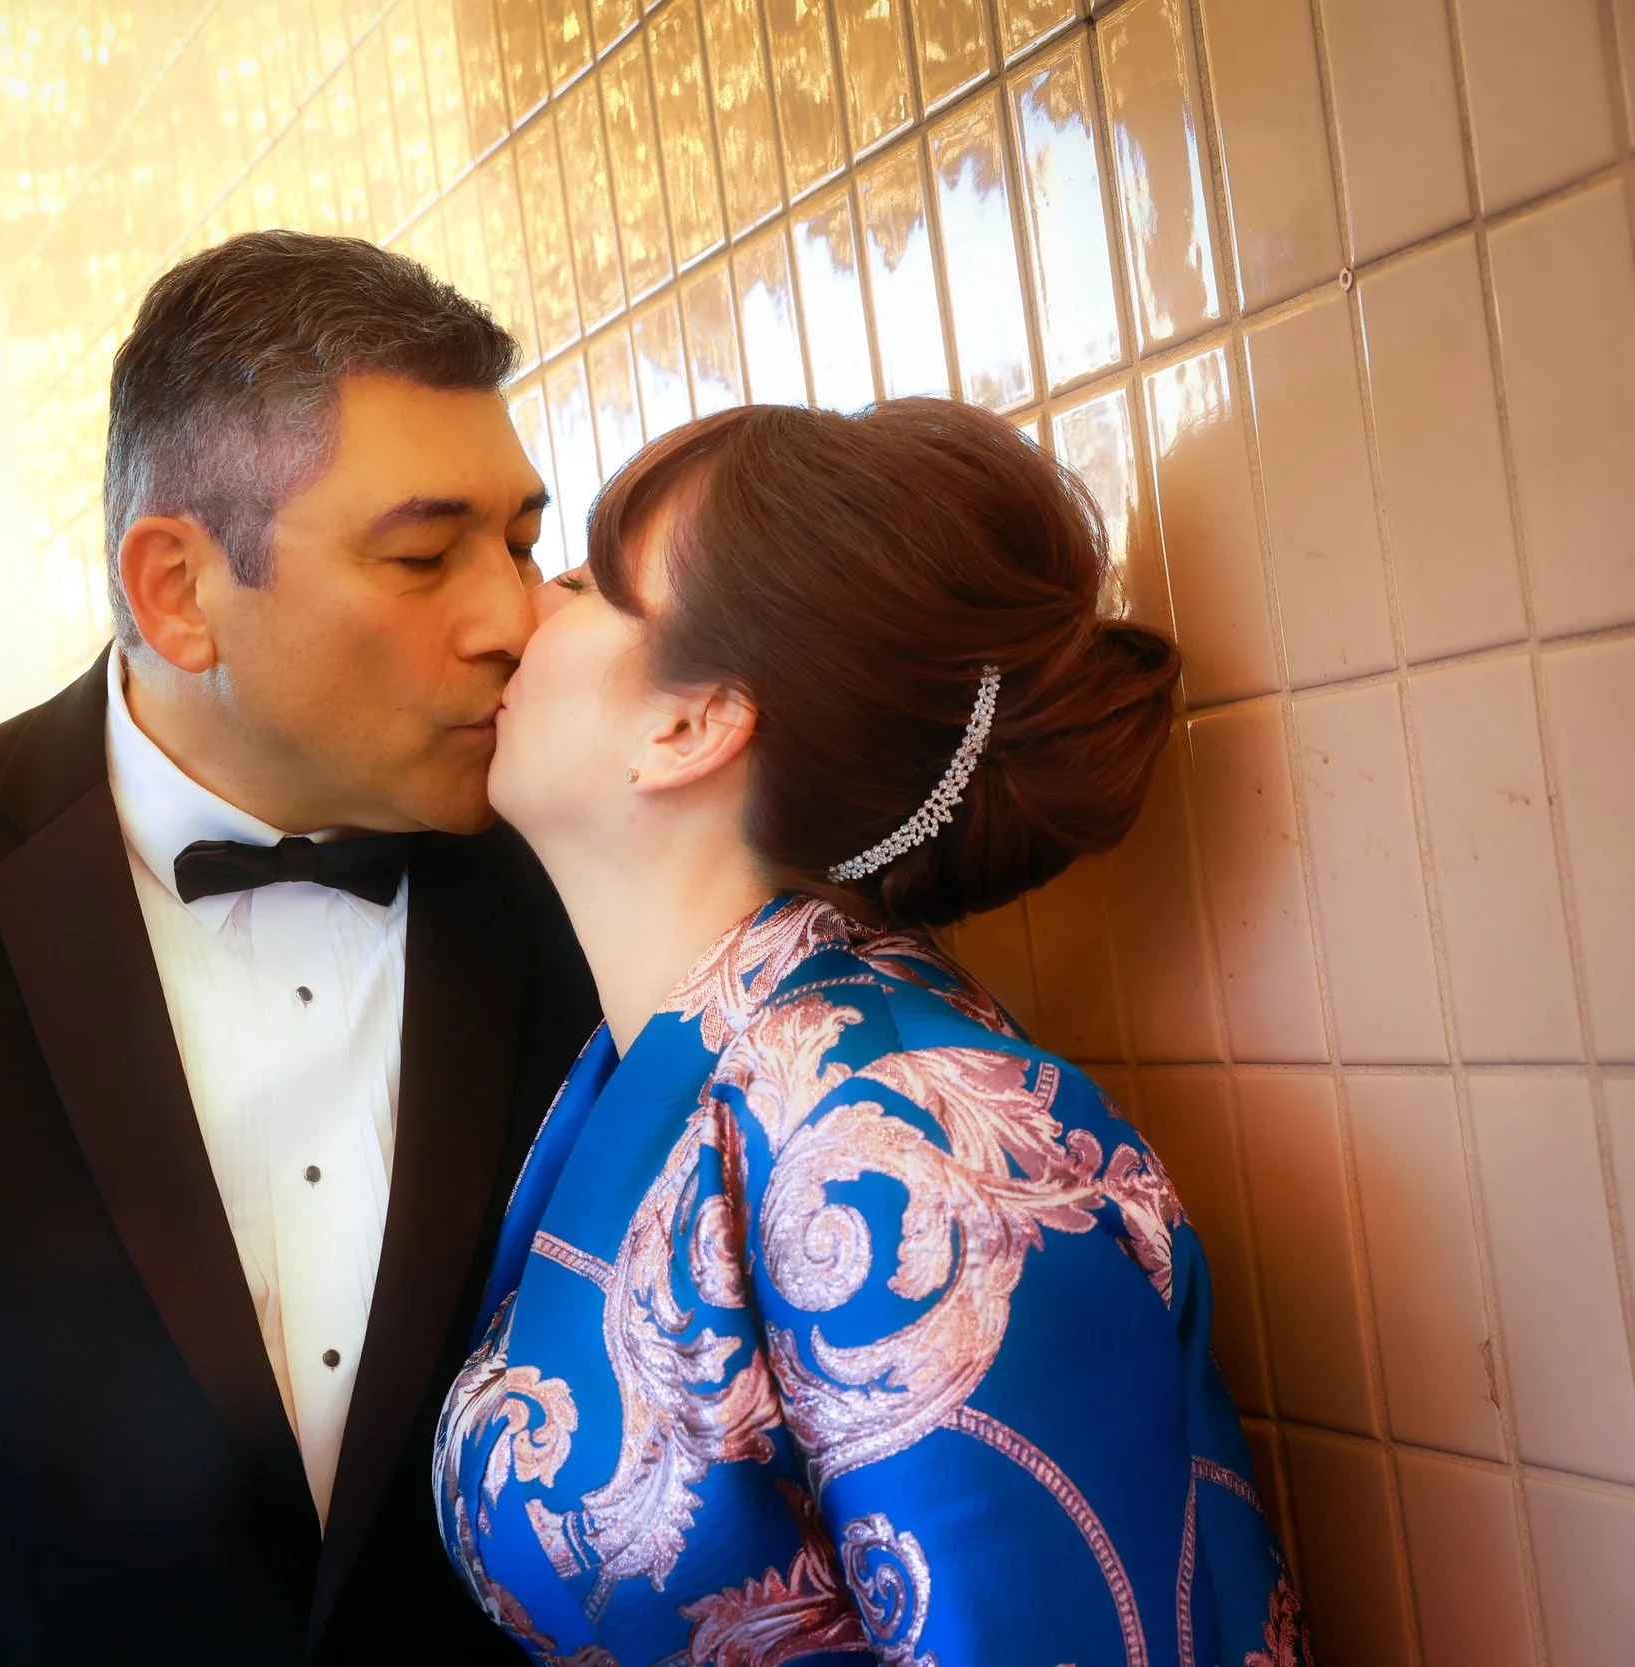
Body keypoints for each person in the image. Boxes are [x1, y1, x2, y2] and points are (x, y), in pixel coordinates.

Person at [0, 231, 597, 1665]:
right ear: (177, 591)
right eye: (422, 555)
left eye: (519, 542)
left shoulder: (582, 870)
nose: (512, 617)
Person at [435, 400, 1308, 1666]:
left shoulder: (915, 1143)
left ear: (690, 723)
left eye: (579, 582)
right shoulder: (684, 1062)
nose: (520, 613)